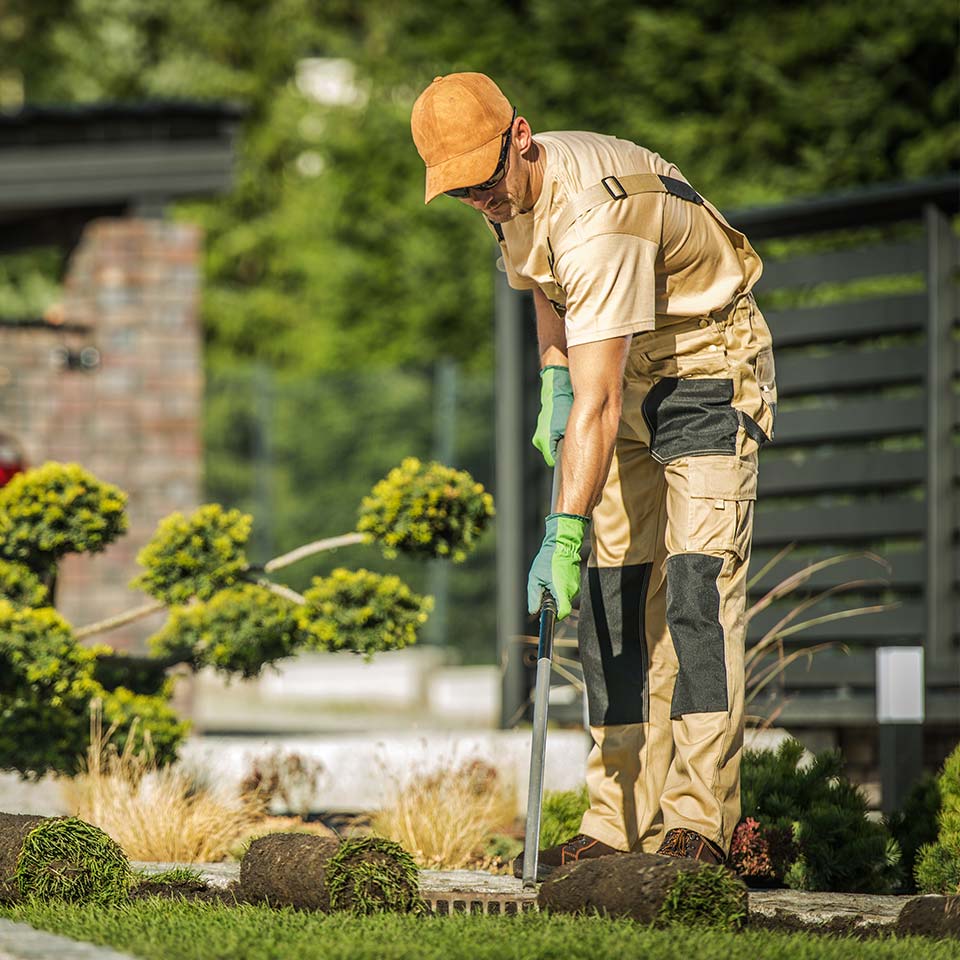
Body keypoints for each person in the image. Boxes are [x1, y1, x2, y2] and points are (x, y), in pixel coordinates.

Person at [411, 73, 776, 878]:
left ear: (522, 138)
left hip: (706, 367)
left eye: (486, 182)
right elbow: (547, 289)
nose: (483, 202)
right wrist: (552, 381)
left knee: (694, 592)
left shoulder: (597, 218)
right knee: (612, 600)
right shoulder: (509, 197)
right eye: (463, 192)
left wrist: (564, 528)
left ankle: (699, 824)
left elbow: (602, 401)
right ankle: (616, 824)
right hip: (622, 369)